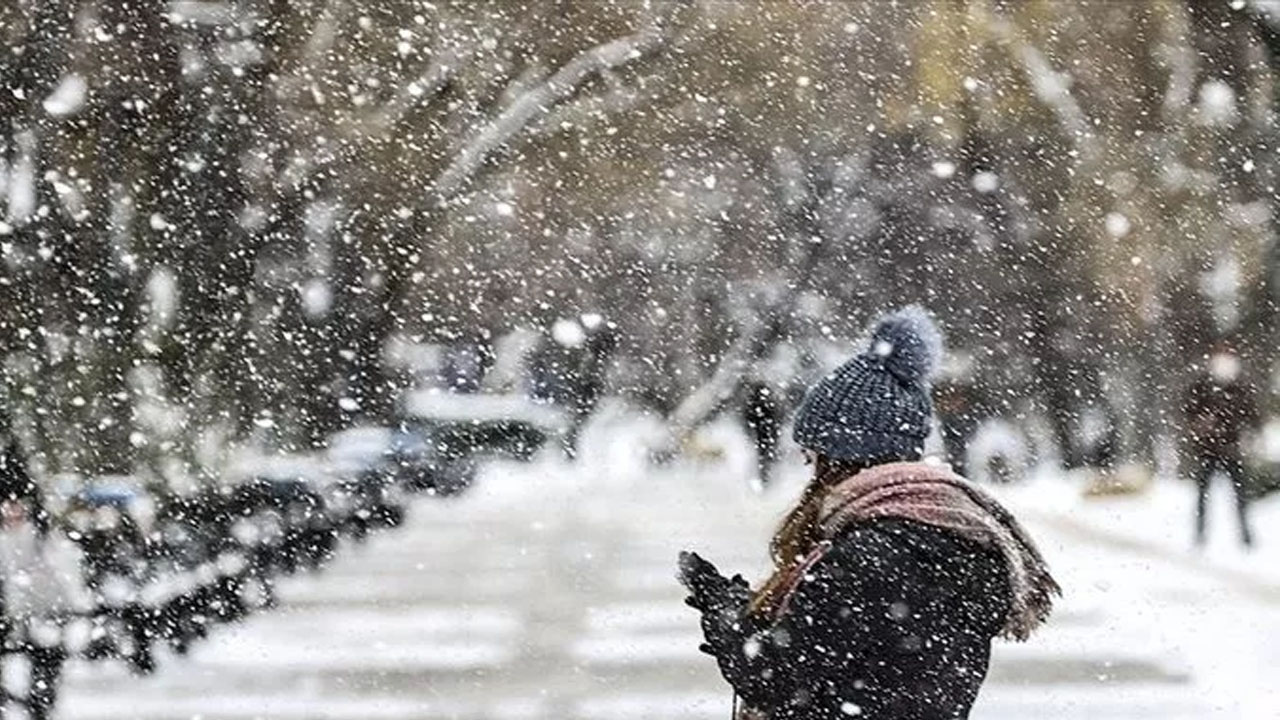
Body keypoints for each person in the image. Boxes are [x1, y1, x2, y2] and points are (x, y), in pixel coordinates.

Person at [678, 307, 1059, 720]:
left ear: (844, 457)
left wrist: (724, 612)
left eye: (815, 457)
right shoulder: (950, 535)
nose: (812, 470)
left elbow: (774, 676)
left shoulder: (868, 557)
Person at [1183, 343, 1260, 548]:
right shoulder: (1202, 385)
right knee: (1203, 495)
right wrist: (1200, 426)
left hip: (1232, 449)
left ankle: (1246, 537)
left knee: (1240, 495)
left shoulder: (1240, 387)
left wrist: (1251, 436)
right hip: (1207, 450)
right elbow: (1189, 410)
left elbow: (1252, 416)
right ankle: (1200, 535)